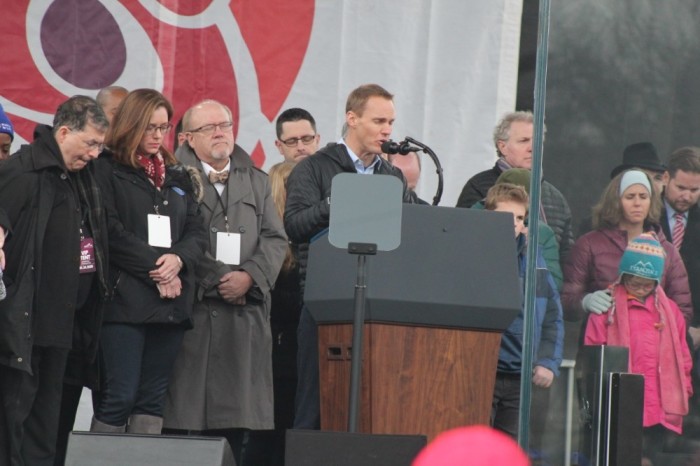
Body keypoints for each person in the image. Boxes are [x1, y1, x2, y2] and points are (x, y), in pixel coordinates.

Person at [163, 99, 287, 465]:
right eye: (209, 128)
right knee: (185, 419)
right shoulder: (175, 180)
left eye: (226, 125)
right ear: (187, 137)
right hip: (194, 316)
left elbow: (276, 239)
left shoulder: (257, 180)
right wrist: (220, 279)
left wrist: (249, 276)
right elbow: (173, 238)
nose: (220, 132)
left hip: (242, 319)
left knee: (233, 425)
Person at [284, 83, 413, 429]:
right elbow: (295, 225)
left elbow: (411, 230)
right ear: (352, 118)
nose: (387, 130)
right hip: (325, 300)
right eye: (379, 120)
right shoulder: (314, 168)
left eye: (391, 122)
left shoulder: (392, 175)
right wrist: (337, 203)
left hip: (378, 303)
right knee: (315, 402)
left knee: (371, 402)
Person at [0, 95, 110, 465]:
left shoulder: (80, 177)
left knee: (46, 430)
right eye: (91, 143)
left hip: (62, 326)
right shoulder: (20, 172)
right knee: (14, 423)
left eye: (100, 145)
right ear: (64, 132)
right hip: (22, 327)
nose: (95, 154)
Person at [91, 89, 207, 434]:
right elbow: (109, 231)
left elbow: (197, 231)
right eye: (149, 127)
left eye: (163, 127)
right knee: (120, 396)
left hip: (170, 303)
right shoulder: (105, 169)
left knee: (152, 400)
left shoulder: (177, 175)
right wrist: (160, 267)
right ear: (130, 125)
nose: (157, 135)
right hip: (124, 301)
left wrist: (178, 260)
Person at [584, 233, 692, 463]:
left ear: (657, 281)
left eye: (647, 283)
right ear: (623, 276)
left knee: (650, 458)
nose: (641, 287)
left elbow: (683, 356)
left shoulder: (670, 311)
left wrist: (686, 388)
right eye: (634, 281)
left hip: (661, 405)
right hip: (620, 402)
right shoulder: (607, 308)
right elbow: (595, 353)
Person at [484, 183, 563, 439]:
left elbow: (552, 315)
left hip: (521, 377)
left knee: (510, 452)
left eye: (519, 218)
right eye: (507, 217)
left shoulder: (534, 260)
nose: (514, 224)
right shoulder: (475, 253)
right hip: (484, 371)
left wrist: (547, 362)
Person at [562, 170, 692, 325]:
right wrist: (585, 301)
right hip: (603, 341)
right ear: (616, 201)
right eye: (630, 197)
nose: (637, 203)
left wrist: (660, 328)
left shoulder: (668, 251)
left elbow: (683, 310)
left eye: (643, 197)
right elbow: (565, 301)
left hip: (652, 343)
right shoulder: (589, 244)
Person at [456, 111, 574, 261]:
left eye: (538, 141)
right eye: (524, 140)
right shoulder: (478, 186)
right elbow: (463, 240)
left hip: (544, 282)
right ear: (503, 146)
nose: (533, 148)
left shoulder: (555, 197)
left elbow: (566, 254)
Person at [657, 147, 700, 443]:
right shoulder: (646, 211)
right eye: (681, 187)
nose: (687, 196)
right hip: (656, 325)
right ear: (666, 178)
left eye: (695, 189)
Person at [471, 167, 563, 290]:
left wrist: (526, 250)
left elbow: (551, 286)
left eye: (519, 217)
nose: (513, 223)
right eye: (506, 214)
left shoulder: (540, 233)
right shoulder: (471, 229)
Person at [578, 142, 667, 236]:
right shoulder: (594, 227)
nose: (652, 185)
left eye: (658, 178)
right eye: (644, 178)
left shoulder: (665, 223)